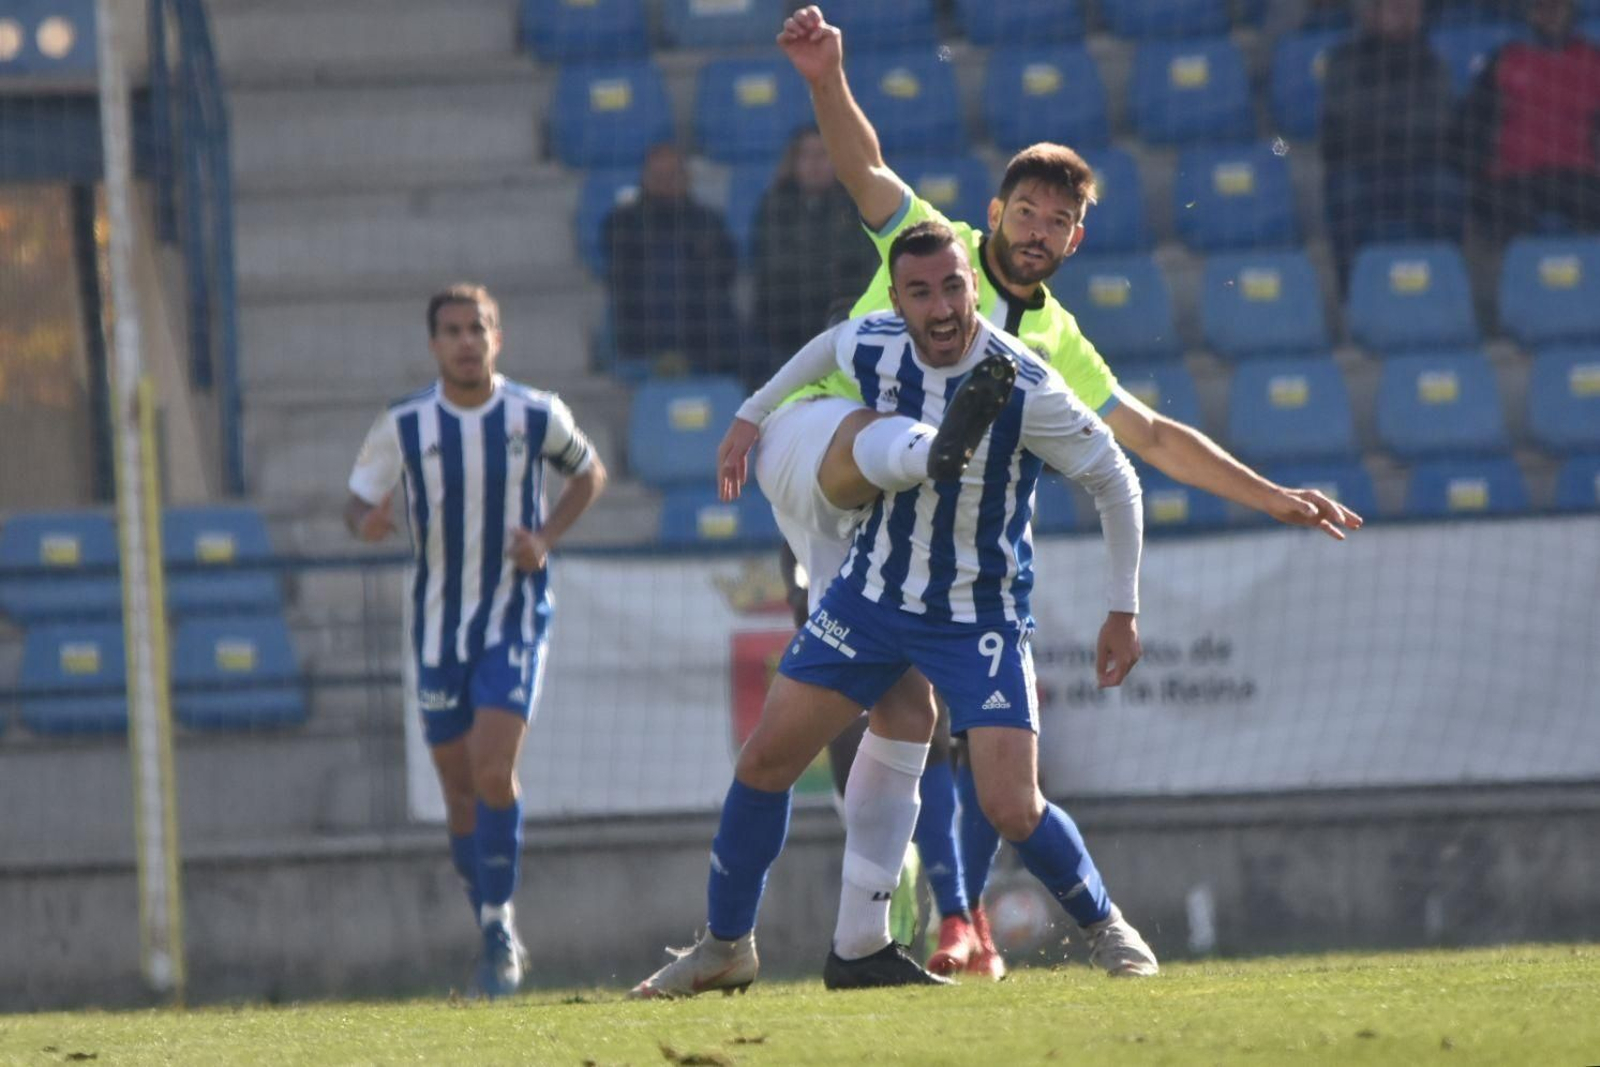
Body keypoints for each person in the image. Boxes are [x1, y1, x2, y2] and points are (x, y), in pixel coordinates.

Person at [723, 4, 1367, 983]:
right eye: (1025, 211)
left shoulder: (1053, 342)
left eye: (1057, 221)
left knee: (933, 735)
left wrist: (1271, 494)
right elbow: (865, 168)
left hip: (944, 559)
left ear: (1075, 239)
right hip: (832, 487)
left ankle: (924, 919)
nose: (1038, 230)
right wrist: (826, 79)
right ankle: (907, 907)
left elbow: (1145, 439)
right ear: (994, 213)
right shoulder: (931, 249)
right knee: (867, 710)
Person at [632, 220, 1157, 998]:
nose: (940, 307)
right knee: (766, 760)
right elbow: (826, 347)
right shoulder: (874, 342)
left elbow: (1116, 478)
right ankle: (729, 946)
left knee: (1010, 804)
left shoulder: (1027, 383)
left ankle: (1108, 927)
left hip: (977, 613)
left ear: (974, 286)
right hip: (873, 596)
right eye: (920, 292)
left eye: (953, 287)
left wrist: (1123, 610)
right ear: (898, 300)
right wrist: (751, 413)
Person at [345, 283, 607, 998]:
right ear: (434, 344)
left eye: (478, 328)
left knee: (494, 770)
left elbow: (589, 472)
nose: (466, 341)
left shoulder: (535, 413)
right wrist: (367, 522)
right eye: (453, 330)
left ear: (498, 338)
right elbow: (357, 501)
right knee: (460, 795)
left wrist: (545, 537)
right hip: (437, 629)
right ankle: (492, 924)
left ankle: (497, 931)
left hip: (513, 615)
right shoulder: (405, 423)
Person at [1320, 0, 1462, 285]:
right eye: (1397, 9)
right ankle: (1352, 291)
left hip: (1419, 167)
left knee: (1446, 192)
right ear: (1372, 14)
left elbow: (1439, 120)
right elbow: (1342, 117)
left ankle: (1442, 284)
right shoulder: (1343, 60)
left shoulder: (1432, 61)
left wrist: (1380, 119)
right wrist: (1402, 121)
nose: (1407, 16)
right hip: (1361, 167)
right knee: (1346, 197)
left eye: (1413, 10)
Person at [1458, 0, 1600, 241]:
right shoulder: (1506, 58)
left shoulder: (1592, 60)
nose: (1550, 15)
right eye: (1542, 8)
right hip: (1514, 176)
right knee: (1499, 209)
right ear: (1532, 14)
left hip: (1578, 174)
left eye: (1557, 8)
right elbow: (1474, 117)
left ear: (1570, 11)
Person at [602, 143, 742, 377]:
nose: (666, 182)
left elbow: (725, 272)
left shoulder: (708, 222)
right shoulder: (622, 223)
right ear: (644, 178)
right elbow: (622, 280)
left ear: (686, 178)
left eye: (672, 175)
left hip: (707, 332)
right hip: (643, 332)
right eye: (659, 176)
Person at [750, 126, 879, 379]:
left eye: (822, 154)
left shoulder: (855, 206)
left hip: (843, 323)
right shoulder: (774, 205)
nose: (814, 164)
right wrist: (827, 264)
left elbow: (860, 263)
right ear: (794, 161)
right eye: (806, 155)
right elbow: (773, 268)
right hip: (784, 328)